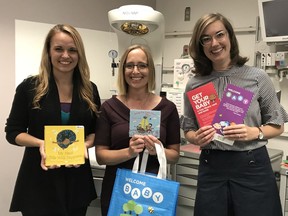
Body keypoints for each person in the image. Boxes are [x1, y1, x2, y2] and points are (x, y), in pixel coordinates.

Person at [181, 13, 288, 216]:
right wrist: (195, 137)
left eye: (219, 34)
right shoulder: (195, 84)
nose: (214, 43)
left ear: (229, 37)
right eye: (206, 38)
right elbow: (188, 129)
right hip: (211, 167)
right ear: (200, 45)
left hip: (252, 167)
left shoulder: (257, 77)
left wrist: (254, 132)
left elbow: (278, 124)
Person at [5, 24, 101, 216]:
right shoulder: (30, 87)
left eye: (72, 50)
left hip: (76, 182)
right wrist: (42, 143)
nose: (65, 55)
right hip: (38, 182)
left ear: (79, 54)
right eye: (59, 49)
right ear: (48, 51)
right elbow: (13, 132)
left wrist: (84, 144)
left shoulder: (90, 89)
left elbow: (96, 131)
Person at [94, 44, 181, 216]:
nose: (135, 71)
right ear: (122, 69)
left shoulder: (168, 108)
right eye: (129, 65)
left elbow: (175, 155)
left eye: (142, 65)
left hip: (153, 193)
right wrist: (129, 152)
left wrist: (157, 150)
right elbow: (101, 156)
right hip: (118, 190)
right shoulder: (109, 108)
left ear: (150, 70)